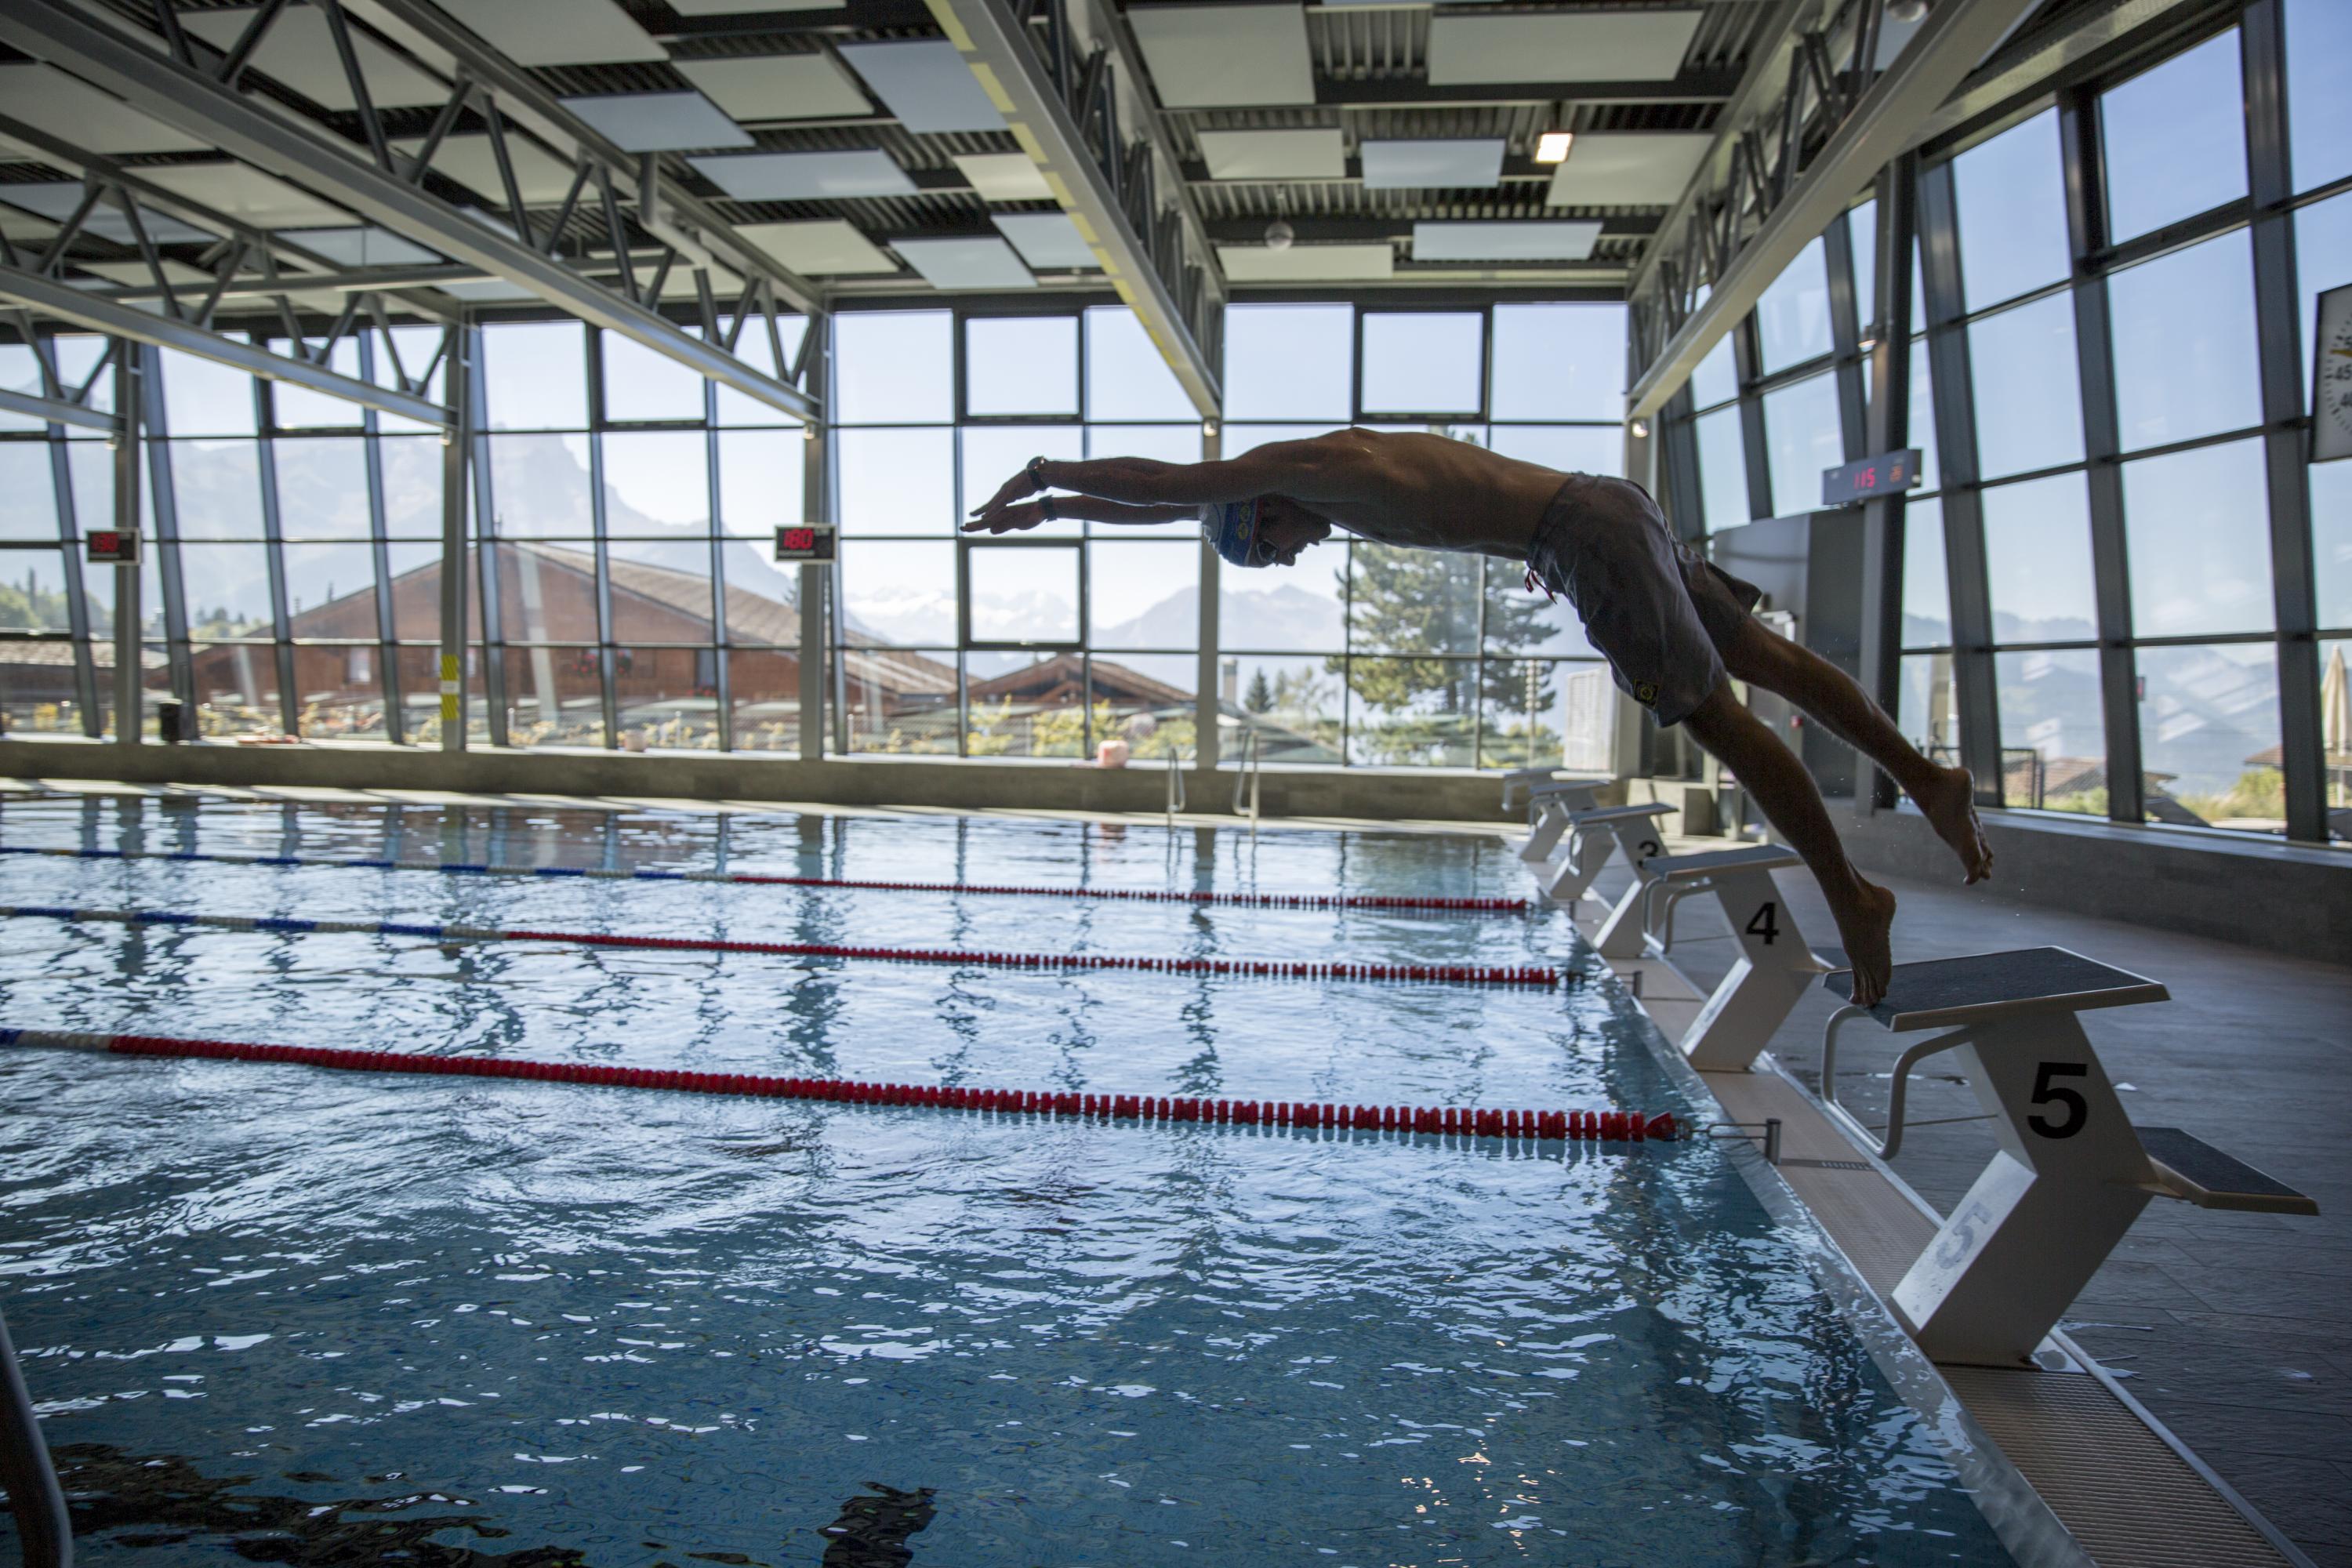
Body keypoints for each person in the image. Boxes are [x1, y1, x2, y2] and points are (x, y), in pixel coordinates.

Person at [967, 429, 1992, 1007]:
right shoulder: (1319, 482)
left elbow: (1166, 484)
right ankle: (1927, 778)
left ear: (1262, 509)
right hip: (1601, 512)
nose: (1292, 558)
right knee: (1760, 655)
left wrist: (1050, 475)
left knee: (1718, 718)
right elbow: (1169, 506)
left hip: (1582, 534)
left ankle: (1850, 893)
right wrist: (1057, 516)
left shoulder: (1313, 470)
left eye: (1272, 549)